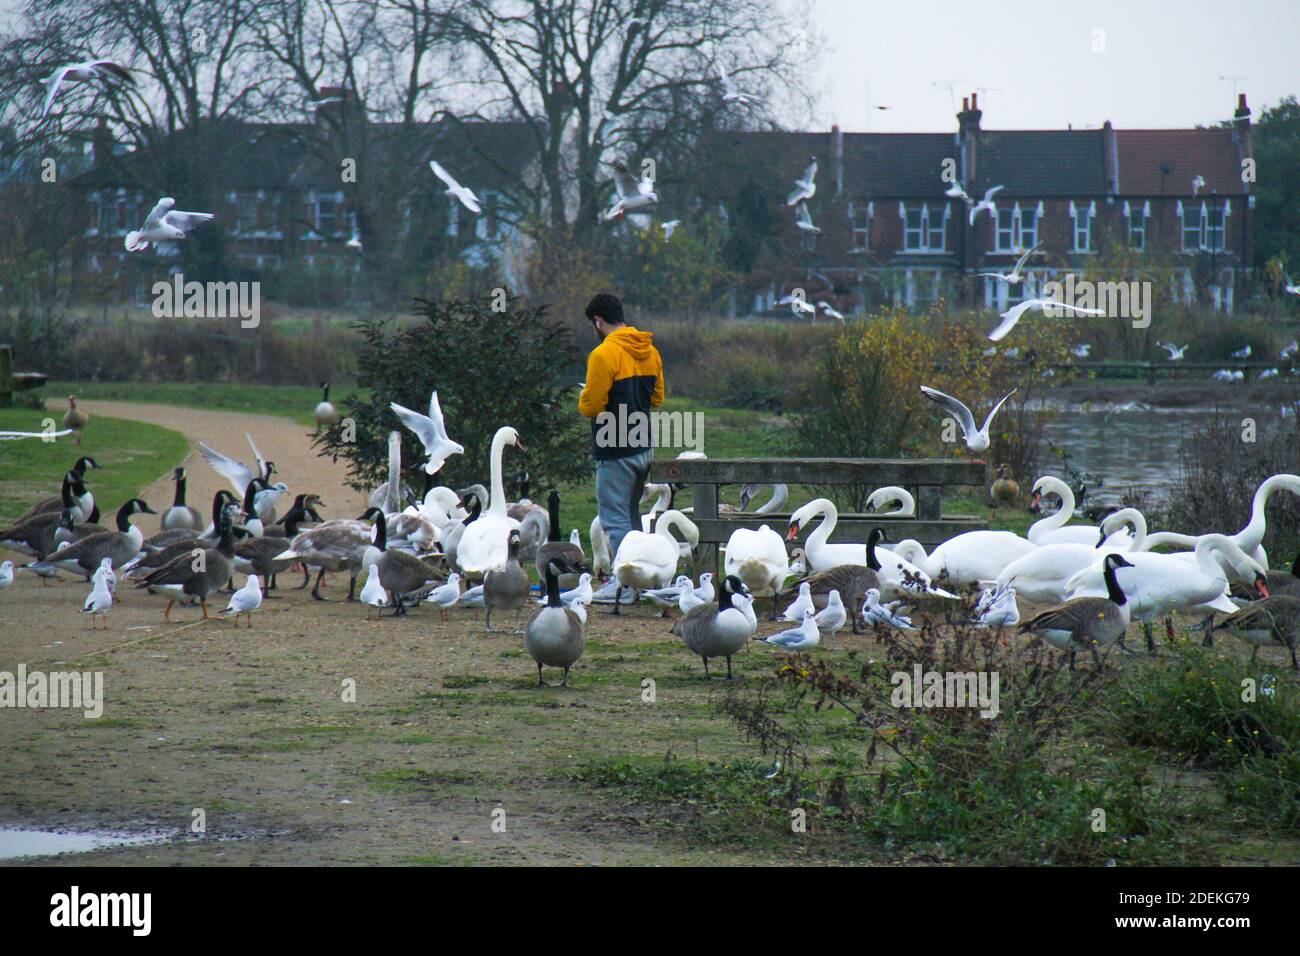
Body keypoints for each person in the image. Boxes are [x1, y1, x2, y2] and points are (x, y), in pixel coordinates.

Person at [577, 293, 665, 561]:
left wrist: (583, 397)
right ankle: (638, 574)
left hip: (615, 449)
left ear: (598, 321)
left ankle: (624, 582)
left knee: (615, 519)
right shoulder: (650, 350)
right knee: (631, 515)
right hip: (643, 447)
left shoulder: (603, 354)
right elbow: (657, 399)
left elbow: (591, 406)